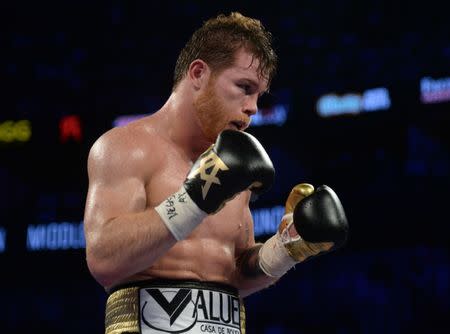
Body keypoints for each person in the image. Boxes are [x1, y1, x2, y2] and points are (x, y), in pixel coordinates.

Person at [84, 12, 348, 334]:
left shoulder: (233, 169)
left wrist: (286, 248)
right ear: (199, 73)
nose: (252, 107)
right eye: (244, 87)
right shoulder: (125, 147)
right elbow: (103, 259)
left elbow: (234, 274)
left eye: (258, 95)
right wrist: (194, 200)